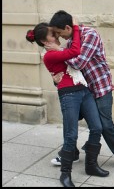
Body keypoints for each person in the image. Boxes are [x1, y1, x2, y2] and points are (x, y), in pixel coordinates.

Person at [25, 19, 109, 187]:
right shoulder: (50, 54)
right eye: (52, 34)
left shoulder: (59, 49)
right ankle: (65, 174)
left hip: (84, 90)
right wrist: (76, 27)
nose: (56, 35)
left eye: (56, 32)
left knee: (97, 127)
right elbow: (75, 52)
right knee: (71, 134)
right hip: (69, 94)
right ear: (44, 41)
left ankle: (91, 165)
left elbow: (75, 55)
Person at [49, 10, 114, 174]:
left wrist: (59, 52)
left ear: (68, 27)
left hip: (100, 88)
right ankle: (70, 154)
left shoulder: (90, 35)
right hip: (83, 90)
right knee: (70, 121)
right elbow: (67, 67)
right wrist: (56, 77)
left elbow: (79, 63)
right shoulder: (70, 43)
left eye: (60, 33)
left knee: (105, 125)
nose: (61, 37)